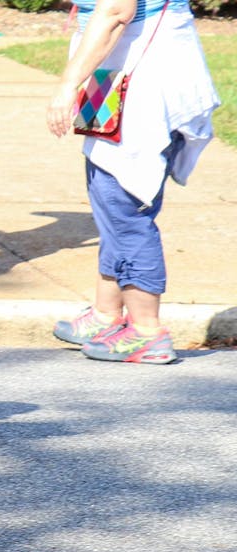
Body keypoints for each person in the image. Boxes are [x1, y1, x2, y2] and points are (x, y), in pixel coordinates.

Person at [46, 0, 219, 365]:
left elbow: (114, 13)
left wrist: (66, 85)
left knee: (125, 205)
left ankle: (147, 332)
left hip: (143, 85)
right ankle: (107, 315)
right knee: (107, 196)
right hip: (114, 78)